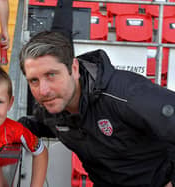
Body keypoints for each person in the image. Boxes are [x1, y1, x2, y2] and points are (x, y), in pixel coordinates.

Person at [18, 0, 175, 187]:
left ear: (74, 68)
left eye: (51, 75)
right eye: (33, 80)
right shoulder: (52, 110)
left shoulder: (125, 95)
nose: (43, 90)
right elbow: (41, 126)